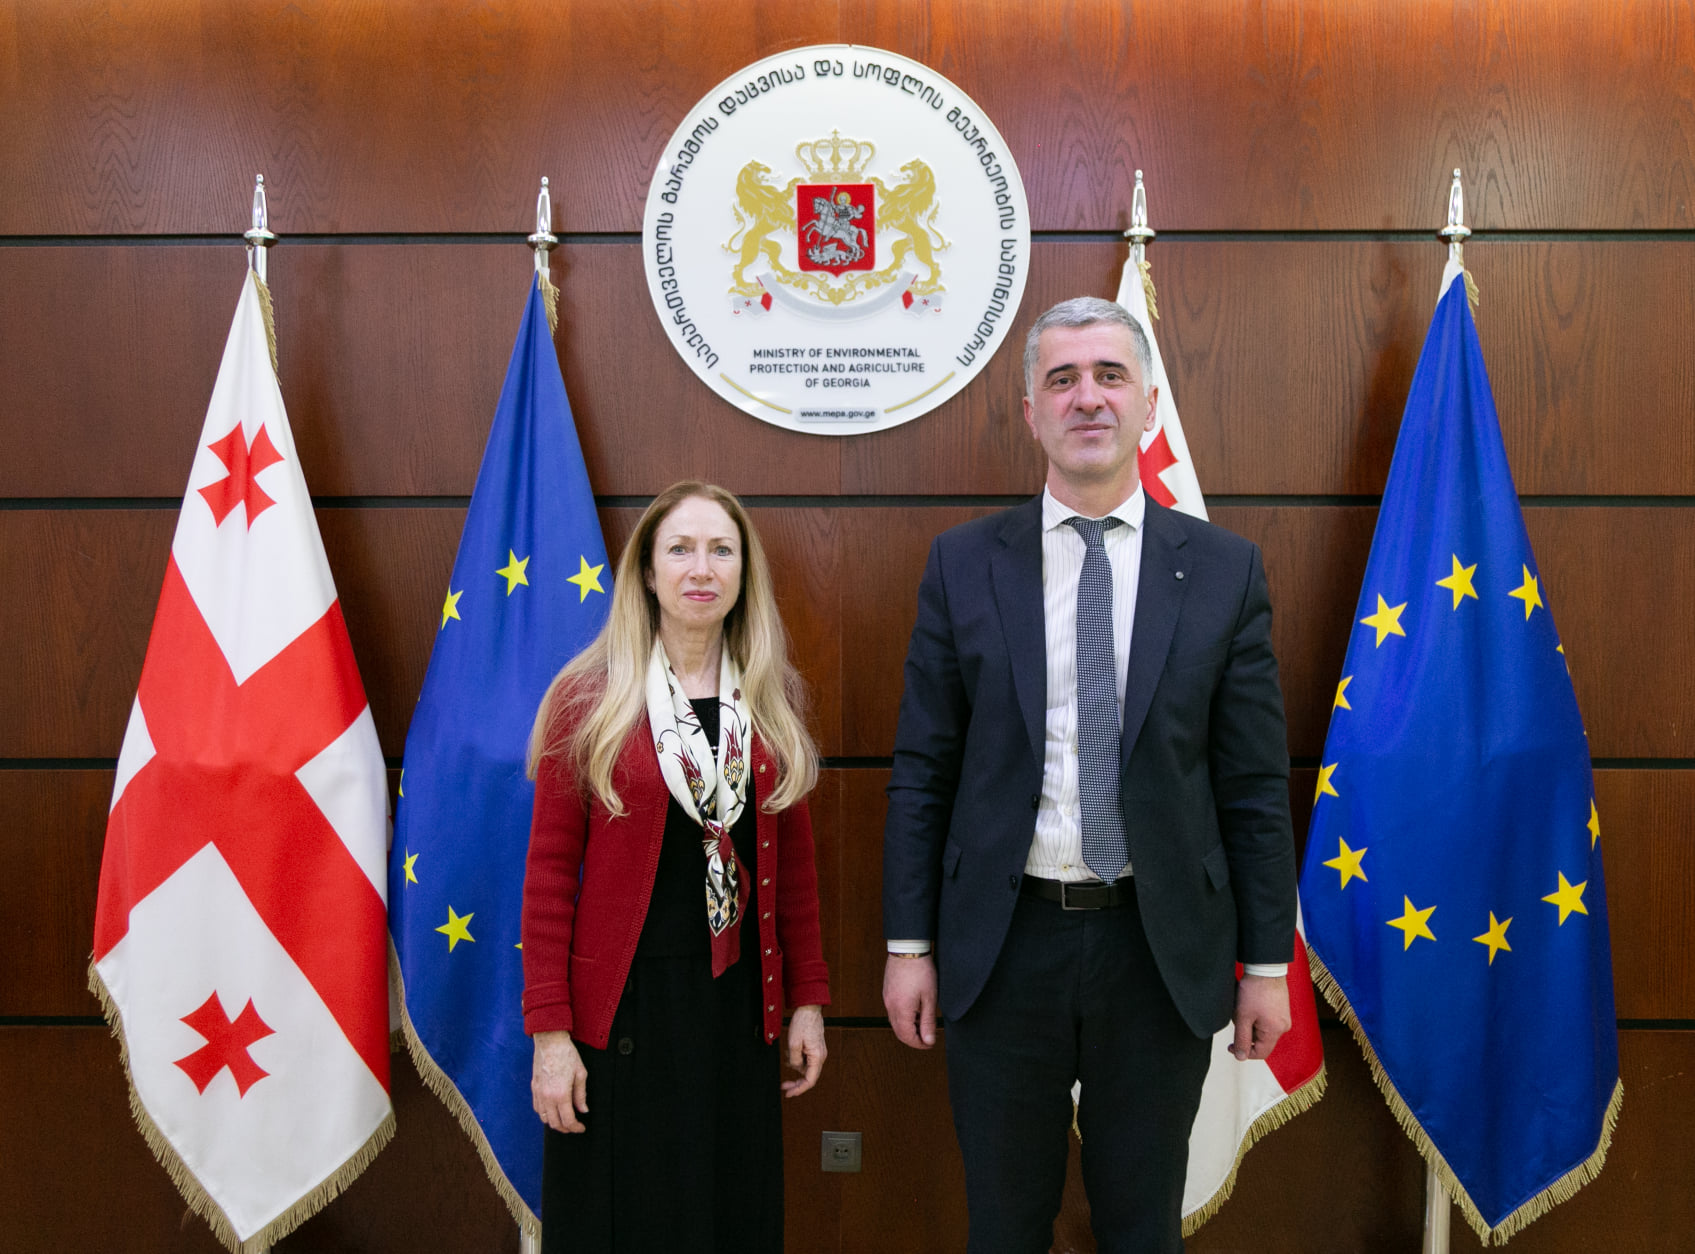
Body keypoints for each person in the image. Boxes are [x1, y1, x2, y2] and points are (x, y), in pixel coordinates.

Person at [881, 297, 1297, 1253]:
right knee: (1003, 1226)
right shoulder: (962, 565)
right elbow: (923, 769)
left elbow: (1249, 786)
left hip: (1158, 950)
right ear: (1030, 410)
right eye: (1061, 379)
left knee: (1142, 1228)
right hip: (1002, 946)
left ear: (1147, 404)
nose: (1087, 398)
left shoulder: (1224, 572)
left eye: (1110, 375)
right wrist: (908, 945)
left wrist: (1266, 967)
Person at [522, 481, 830, 1254]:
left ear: (742, 574)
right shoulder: (587, 699)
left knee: (728, 1219)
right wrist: (550, 1038)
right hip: (622, 1016)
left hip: (735, 1009)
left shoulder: (767, 702)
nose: (701, 568)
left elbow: (795, 877)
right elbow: (548, 879)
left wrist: (807, 1002)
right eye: (680, 549)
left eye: (721, 550)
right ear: (648, 572)